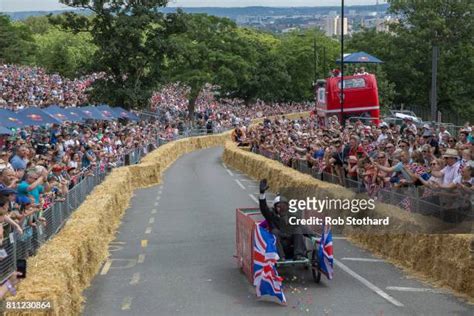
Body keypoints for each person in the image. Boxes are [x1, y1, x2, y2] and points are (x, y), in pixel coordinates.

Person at [258, 179, 308, 261]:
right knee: (274, 231)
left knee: (297, 229)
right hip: (278, 244)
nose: (281, 208)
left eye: (283, 206)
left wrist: (313, 235)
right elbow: (264, 208)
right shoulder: (271, 216)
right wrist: (262, 194)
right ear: (275, 207)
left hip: (291, 243)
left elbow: (301, 226)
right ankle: (281, 257)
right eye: (279, 206)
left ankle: (298, 255)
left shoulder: (292, 216)